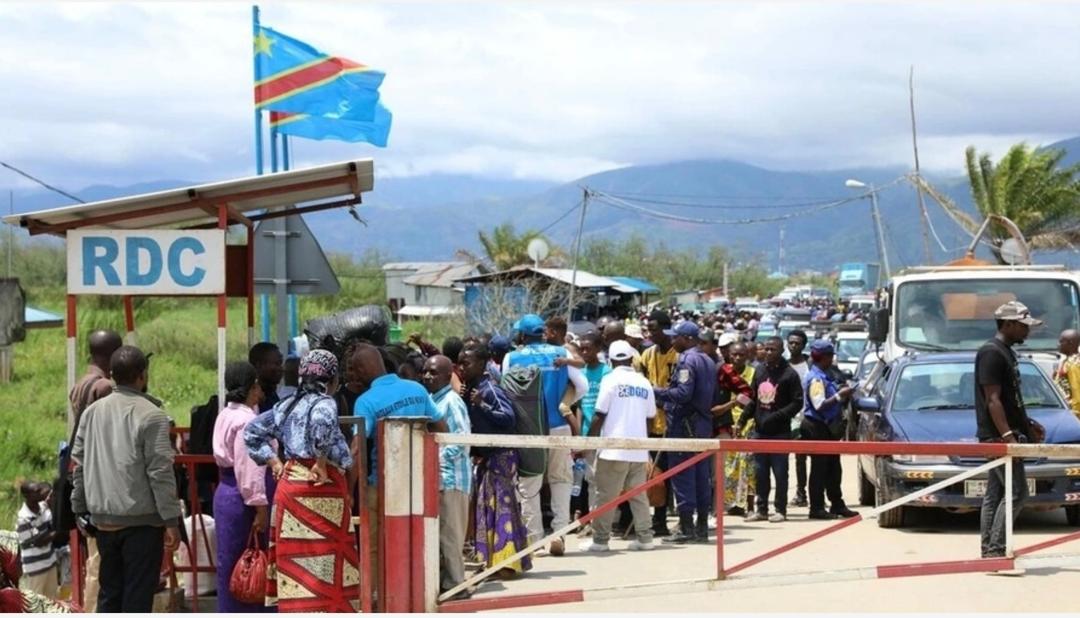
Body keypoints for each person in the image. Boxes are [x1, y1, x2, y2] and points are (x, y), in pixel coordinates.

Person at [244, 349, 357, 612]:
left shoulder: (285, 405)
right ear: (332, 379)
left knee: (297, 559)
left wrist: (273, 461)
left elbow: (252, 432)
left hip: (290, 485)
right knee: (327, 559)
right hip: (321, 487)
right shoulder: (325, 403)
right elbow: (322, 423)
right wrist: (321, 461)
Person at [70, 346, 181, 613]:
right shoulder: (152, 415)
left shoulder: (91, 413)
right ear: (142, 375)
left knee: (110, 595)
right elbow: (160, 472)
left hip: (104, 523)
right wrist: (171, 521)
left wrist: (79, 509)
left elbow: (79, 466)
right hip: (142, 524)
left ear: (112, 375)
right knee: (137, 599)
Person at [503, 314, 587, 556]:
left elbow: (507, 390)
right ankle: (559, 533)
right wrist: (565, 402)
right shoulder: (560, 353)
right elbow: (582, 386)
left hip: (529, 430)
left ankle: (535, 540)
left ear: (522, 335)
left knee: (529, 484)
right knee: (561, 479)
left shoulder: (512, 357)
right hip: (558, 425)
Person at [976, 302, 1046, 560]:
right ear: (1008, 324)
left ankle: (990, 549)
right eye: (1023, 326)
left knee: (995, 493)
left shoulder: (1005, 352)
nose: (1027, 331)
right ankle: (996, 549)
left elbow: (1010, 399)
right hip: (997, 437)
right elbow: (992, 400)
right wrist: (1008, 436)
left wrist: (1027, 424)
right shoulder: (991, 353)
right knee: (1017, 493)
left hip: (1006, 433)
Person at [459, 345, 532, 578]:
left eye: (466, 363)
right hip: (488, 458)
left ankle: (507, 564)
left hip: (502, 457)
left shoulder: (489, 389)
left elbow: (508, 418)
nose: (461, 368)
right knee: (487, 509)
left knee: (502, 510)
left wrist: (483, 404)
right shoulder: (473, 389)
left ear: (482, 364)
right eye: (460, 363)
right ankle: (493, 562)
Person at [62, 329, 122, 612]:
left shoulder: (82, 383)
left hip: (84, 472)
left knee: (95, 556)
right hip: (100, 476)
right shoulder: (105, 387)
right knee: (100, 560)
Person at [579, 341, 657, 553]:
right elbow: (651, 417)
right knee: (638, 495)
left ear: (611, 360)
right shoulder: (643, 382)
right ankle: (645, 538)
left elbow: (599, 415)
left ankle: (600, 540)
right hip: (638, 449)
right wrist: (645, 445)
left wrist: (588, 442)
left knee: (605, 496)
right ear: (631, 359)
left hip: (613, 449)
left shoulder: (610, 380)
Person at [212, 361, 275, 612]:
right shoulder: (247, 421)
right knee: (251, 564)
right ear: (252, 386)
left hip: (227, 494)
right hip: (244, 499)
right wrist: (260, 507)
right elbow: (249, 468)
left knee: (230, 561)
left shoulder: (225, 415)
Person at [655, 321, 717, 544]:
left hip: (684, 427)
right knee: (701, 477)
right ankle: (701, 527)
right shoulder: (708, 360)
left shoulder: (687, 360)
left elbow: (683, 393)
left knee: (683, 477)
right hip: (702, 426)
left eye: (676, 337)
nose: (672, 341)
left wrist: (657, 392)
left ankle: (686, 528)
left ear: (688, 339)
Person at [421, 356, 472, 600]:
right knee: (440, 535)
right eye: (425, 372)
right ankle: (445, 583)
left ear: (446, 375)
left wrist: (437, 459)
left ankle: (456, 585)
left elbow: (461, 439)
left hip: (452, 478)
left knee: (451, 535)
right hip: (438, 478)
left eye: (433, 372)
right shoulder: (432, 401)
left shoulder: (452, 401)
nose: (427, 376)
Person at [741, 336, 802, 523]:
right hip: (760, 432)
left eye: (772, 349)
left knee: (780, 473)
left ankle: (780, 509)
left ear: (781, 351)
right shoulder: (760, 370)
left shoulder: (789, 374)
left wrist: (777, 416)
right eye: (766, 349)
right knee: (760, 473)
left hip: (780, 432)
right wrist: (743, 419)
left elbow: (797, 403)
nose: (768, 352)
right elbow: (753, 398)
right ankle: (761, 510)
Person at [800, 341, 858, 520]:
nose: (832, 359)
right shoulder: (816, 378)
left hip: (828, 427)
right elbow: (819, 404)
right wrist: (840, 395)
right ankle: (816, 507)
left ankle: (837, 504)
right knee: (819, 468)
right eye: (830, 356)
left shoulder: (825, 375)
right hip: (817, 427)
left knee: (833, 467)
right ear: (824, 357)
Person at [638, 309, 679, 537]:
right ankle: (659, 520)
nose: (649, 334)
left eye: (653, 329)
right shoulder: (647, 355)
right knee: (657, 475)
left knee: (675, 475)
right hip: (652, 424)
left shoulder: (678, 355)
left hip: (674, 424)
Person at [723, 343, 757, 516]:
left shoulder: (754, 374)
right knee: (729, 468)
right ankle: (733, 504)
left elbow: (754, 400)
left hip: (749, 425)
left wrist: (742, 401)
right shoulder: (723, 373)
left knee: (749, 467)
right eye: (734, 354)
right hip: (728, 425)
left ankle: (750, 506)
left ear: (747, 356)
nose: (737, 358)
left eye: (741, 355)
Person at [16, 482, 57, 598]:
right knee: (36, 603)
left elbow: (51, 525)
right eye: (37, 491)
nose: (41, 493)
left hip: (50, 563)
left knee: (52, 602)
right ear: (27, 496)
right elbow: (39, 541)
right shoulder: (23, 518)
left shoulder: (43, 508)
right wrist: (59, 531)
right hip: (35, 569)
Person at [787, 330, 811, 508]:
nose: (794, 346)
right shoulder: (784, 366)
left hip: (807, 418)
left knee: (802, 457)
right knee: (785, 458)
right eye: (791, 343)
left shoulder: (810, 365)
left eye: (797, 343)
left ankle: (802, 494)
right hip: (786, 417)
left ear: (803, 345)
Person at [249, 342, 285, 412]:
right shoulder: (250, 401)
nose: (281, 368)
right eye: (277, 363)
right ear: (259, 365)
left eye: (281, 363)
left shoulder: (273, 394)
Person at [1056, 329, 1080, 417]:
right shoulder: (1067, 361)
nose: (1058, 344)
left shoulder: (1073, 364)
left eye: (1061, 342)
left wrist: (1075, 414)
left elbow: (1076, 390)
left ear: (1070, 343)